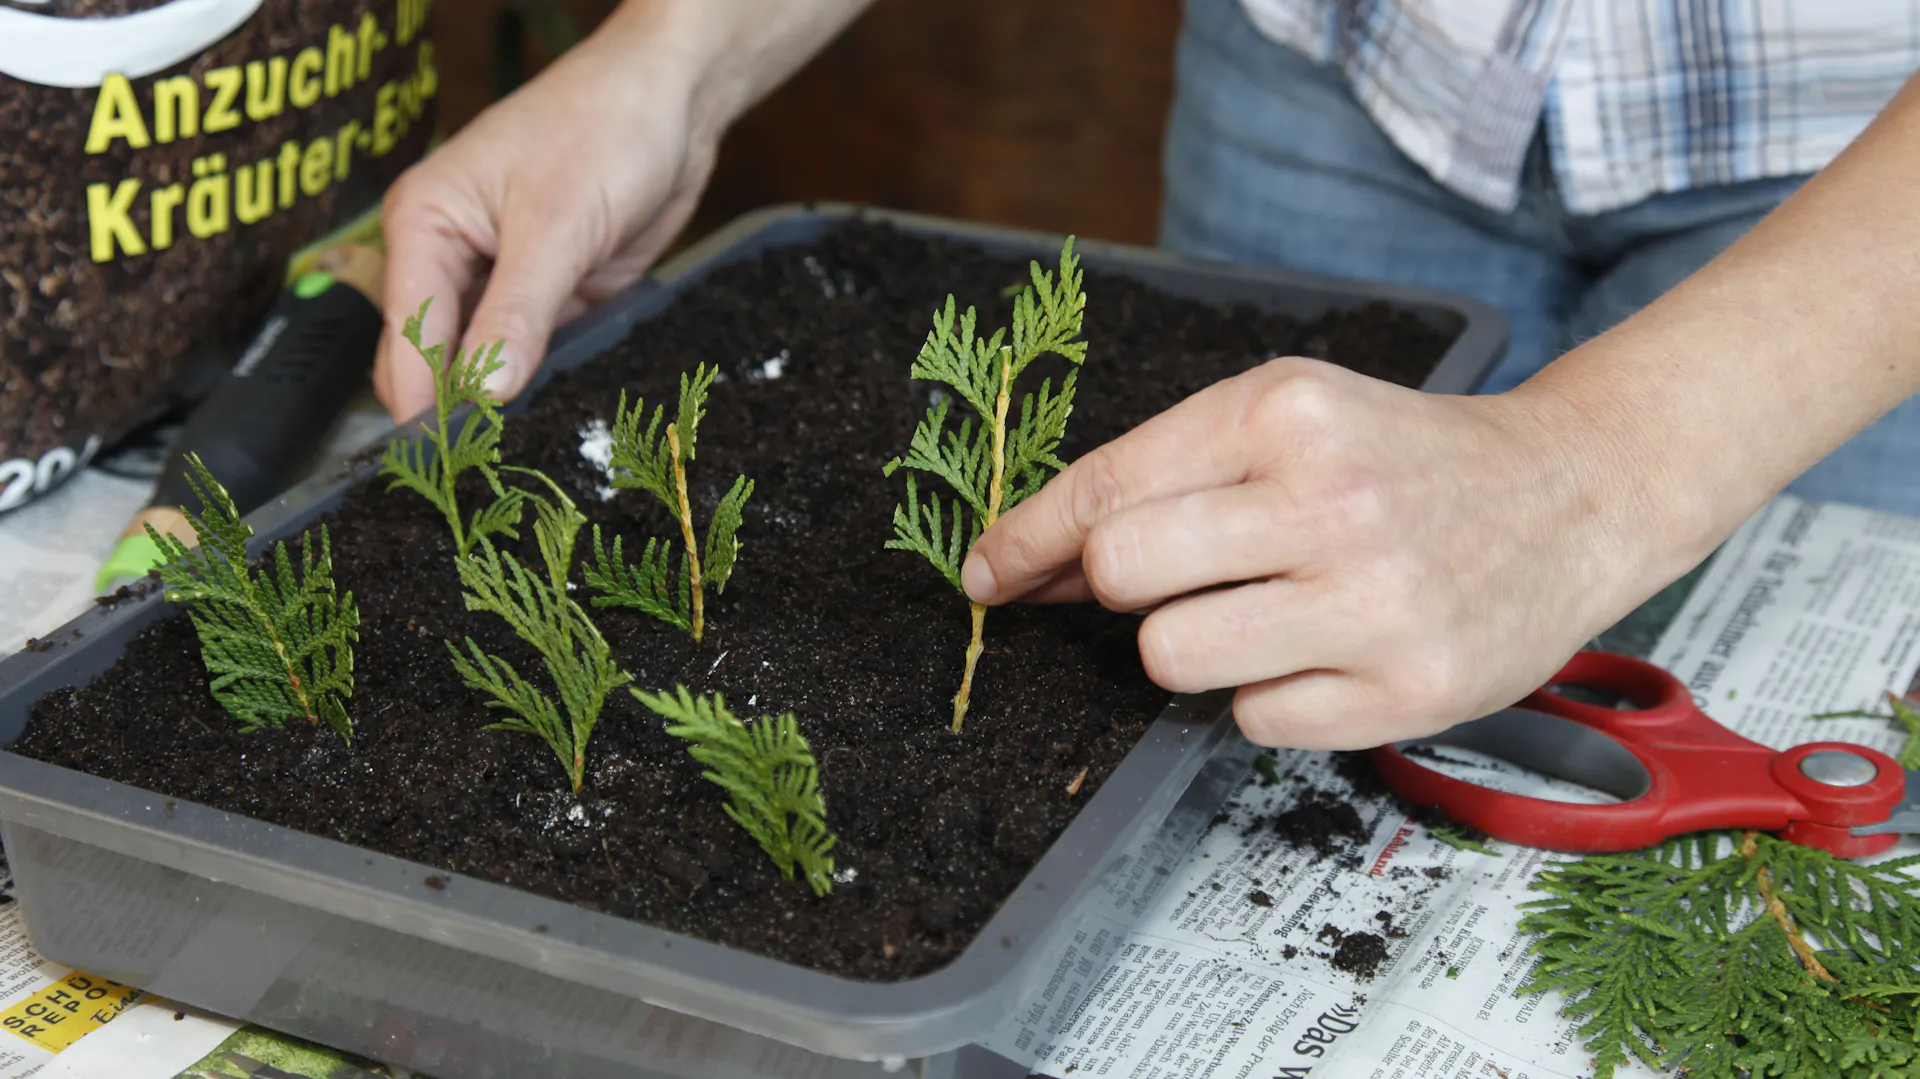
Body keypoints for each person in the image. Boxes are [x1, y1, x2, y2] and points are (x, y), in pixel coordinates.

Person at [372, 0, 1920, 749]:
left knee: (1776, 774)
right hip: (1335, 67)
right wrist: (678, 53)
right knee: (1235, 674)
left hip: (1857, 193)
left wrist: (1590, 477)